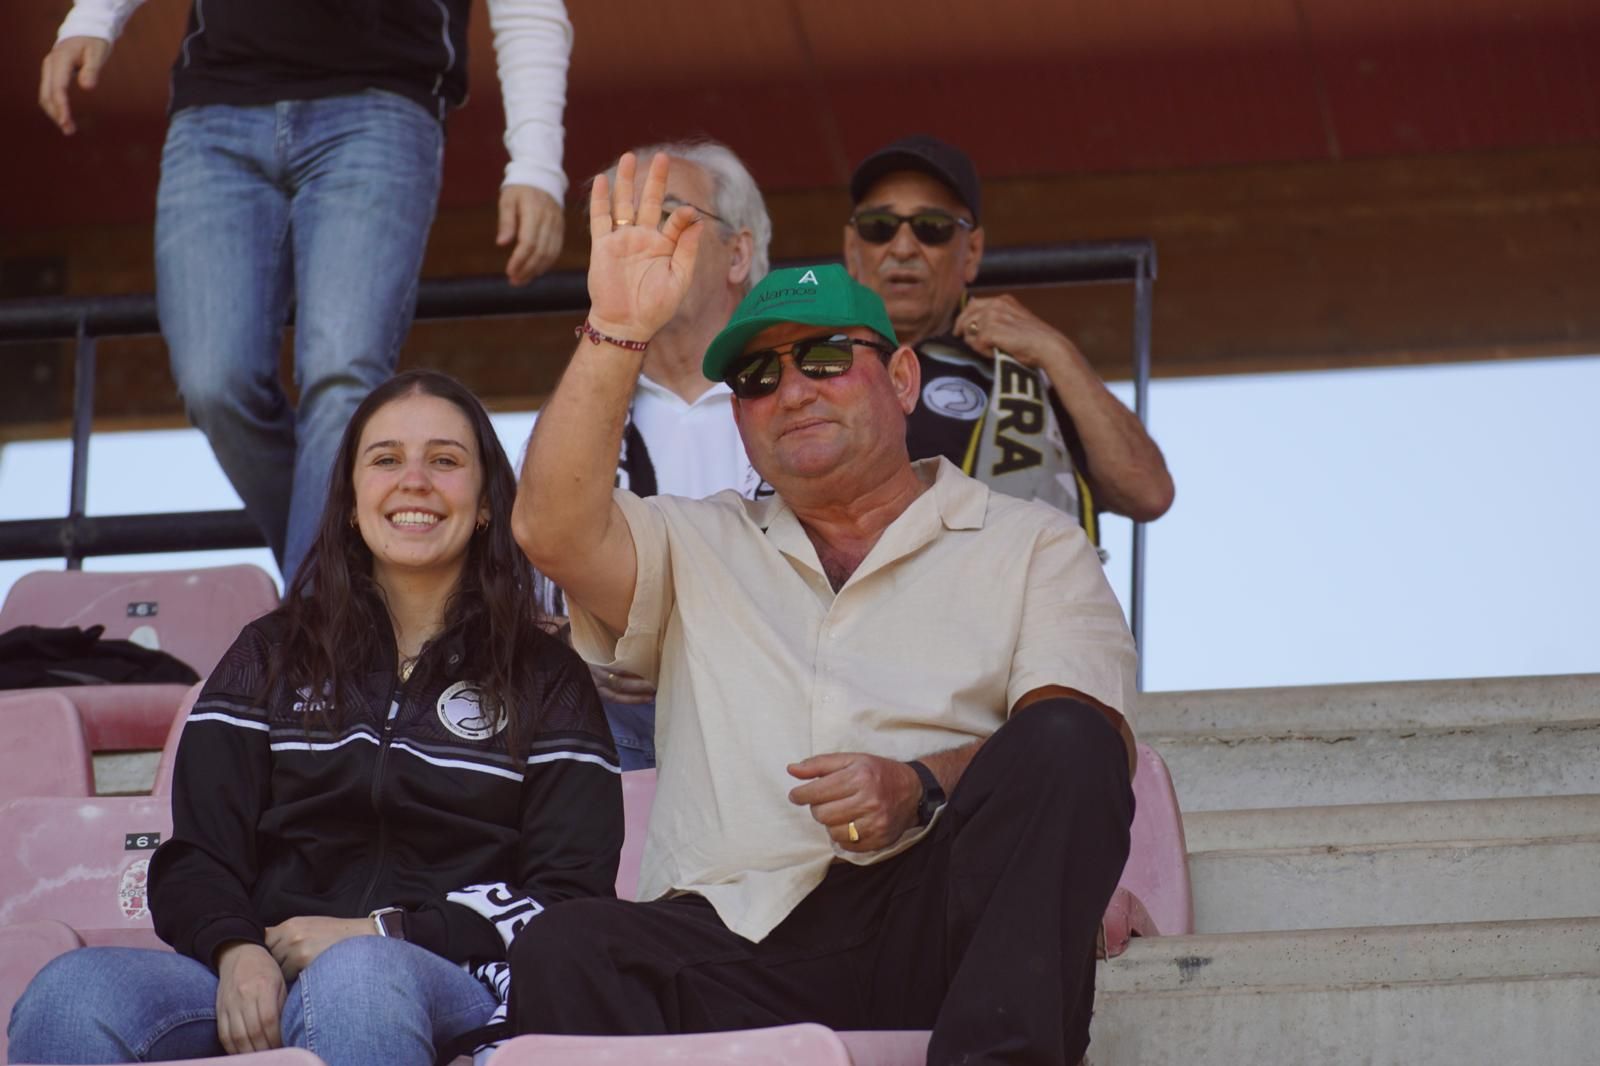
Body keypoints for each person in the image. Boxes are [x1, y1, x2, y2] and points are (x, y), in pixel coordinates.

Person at [508, 153, 1138, 1065]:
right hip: (729, 935)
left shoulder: (1030, 542)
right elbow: (551, 529)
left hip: (938, 925)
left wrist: (919, 785)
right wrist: (617, 328)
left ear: (903, 379)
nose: (793, 389)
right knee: (567, 949)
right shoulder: (696, 538)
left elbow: (1085, 738)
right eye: (757, 377)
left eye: (827, 357)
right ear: (739, 417)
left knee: (1067, 741)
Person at [8, 370, 622, 1066]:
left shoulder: (545, 676)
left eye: (445, 460)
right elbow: (197, 857)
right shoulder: (270, 654)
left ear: (484, 504)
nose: (414, 481)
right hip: (266, 968)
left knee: (357, 977)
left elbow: (569, 895)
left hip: (456, 977)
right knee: (70, 995)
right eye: (386, 459)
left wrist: (384, 932)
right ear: (352, 502)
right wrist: (235, 949)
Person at [37, 0, 576, 582]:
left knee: (343, 374)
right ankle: (339, 583)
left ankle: (314, 615)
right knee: (214, 382)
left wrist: (536, 166)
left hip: (382, 105)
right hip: (216, 105)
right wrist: (92, 18)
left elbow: (529, 9)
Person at [544, 139, 772, 770]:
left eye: (665, 214)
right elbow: (518, 588)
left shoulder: (801, 399)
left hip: (776, 724)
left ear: (738, 254)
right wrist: (570, 646)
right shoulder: (574, 415)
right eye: (622, 220)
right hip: (606, 743)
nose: (638, 236)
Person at [844, 134, 1174, 550]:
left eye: (933, 228)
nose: (904, 247)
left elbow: (1147, 491)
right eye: (879, 227)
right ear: (852, 249)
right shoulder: (804, 357)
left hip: (996, 589)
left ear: (972, 252)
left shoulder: (1017, 367)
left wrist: (1055, 349)